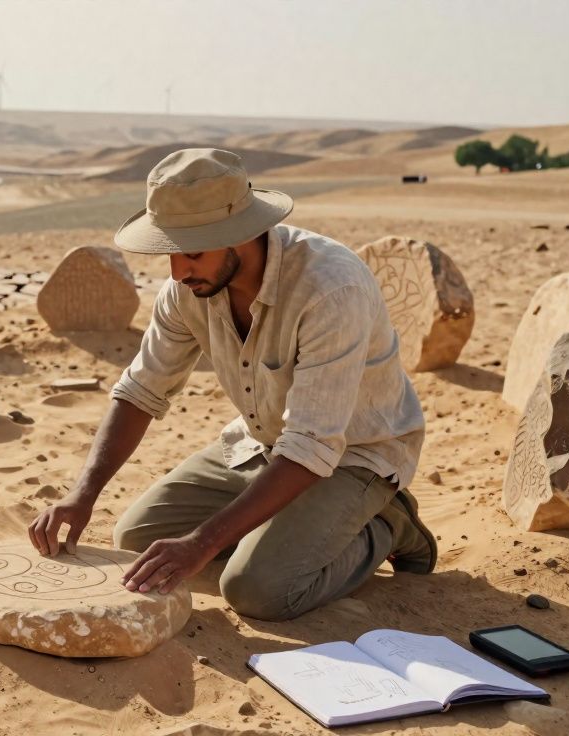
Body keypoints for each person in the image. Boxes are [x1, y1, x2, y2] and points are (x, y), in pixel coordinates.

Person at [27, 148, 434, 621]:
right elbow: (141, 390)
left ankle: (387, 523)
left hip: (354, 455)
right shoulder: (186, 291)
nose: (178, 272)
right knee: (137, 538)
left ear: (241, 236)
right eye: (169, 254)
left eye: (193, 253)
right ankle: (280, 529)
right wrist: (83, 495)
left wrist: (202, 542)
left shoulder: (331, 289)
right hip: (265, 445)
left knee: (259, 590)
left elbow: (312, 443)